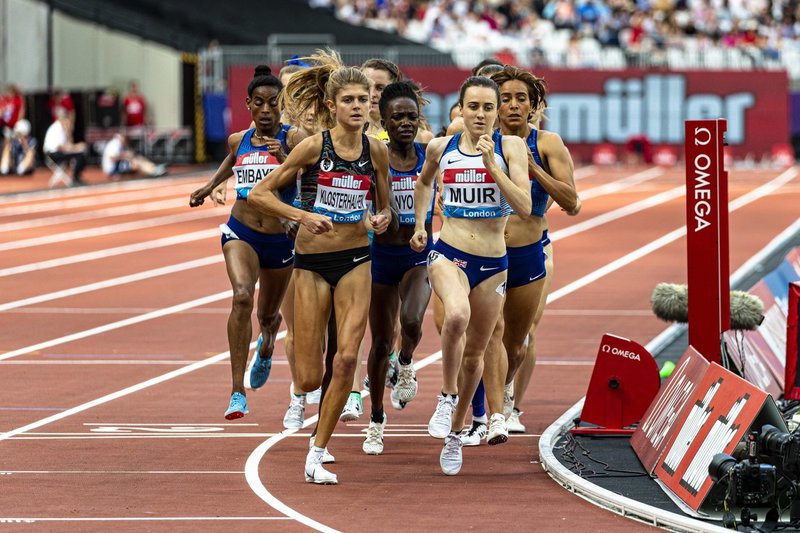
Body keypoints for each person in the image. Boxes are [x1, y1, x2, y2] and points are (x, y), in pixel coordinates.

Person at [248, 49, 392, 485]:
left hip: (355, 260)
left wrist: (382, 219)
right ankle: (295, 384)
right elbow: (260, 194)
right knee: (311, 375)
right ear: (332, 106)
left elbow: (384, 210)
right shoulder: (314, 146)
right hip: (311, 262)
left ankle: (318, 450)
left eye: (363, 100)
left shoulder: (376, 152)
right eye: (348, 100)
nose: (357, 107)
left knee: (347, 358)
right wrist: (303, 216)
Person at [410, 76, 532, 476]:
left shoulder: (509, 147)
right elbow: (424, 181)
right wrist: (420, 225)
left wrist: (493, 168)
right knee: (456, 316)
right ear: (459, 109)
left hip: (493, 263)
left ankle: (456, 431)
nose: (480, 114)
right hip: (449, 253)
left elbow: (525, 207)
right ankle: (446, 398)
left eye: (487, 108)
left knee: (476, 354)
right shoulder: (440, 147)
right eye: (472, 107)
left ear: (496, 113)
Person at [188, 65, 296, 421]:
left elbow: (306, 176)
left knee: (267, 316)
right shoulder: (239, 140)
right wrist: (209, 186)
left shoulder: (294, 140)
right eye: (259, 104)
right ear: (248, 104)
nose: (266, 110)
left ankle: (266, 346)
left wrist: (284, 158)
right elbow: (232, 161)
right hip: (242, 232)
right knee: (242, 297)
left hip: (281, 240)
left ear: (283, 106)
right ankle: (237, 392)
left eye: (273, 104)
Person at [481, 65, 579, 439]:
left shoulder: (548, 143)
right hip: (486, 250)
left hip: (531, 246)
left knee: (518, 341)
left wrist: (533, 169)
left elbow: (572, 203)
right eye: (505, 99)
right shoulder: (481, 141)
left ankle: (507, 397)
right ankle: (484, 409)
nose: (513, 105)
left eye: (521, 98)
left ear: (534, 105)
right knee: (482, 333)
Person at [362, 81, 433, 455]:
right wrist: (368, 221)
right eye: (397, 117)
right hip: (381, 258)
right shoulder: (375, 158)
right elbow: (358, 203)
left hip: (418, 255)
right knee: (378, 343)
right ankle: (376, 419)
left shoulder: (429, 155)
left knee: (411, 322)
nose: (406, 122)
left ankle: (405, 363)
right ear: (384, 121)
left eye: (411, 115)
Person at [43, 109, 87, 185]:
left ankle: (76, 178)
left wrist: (68, 132)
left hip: (55, 152)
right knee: (80, 155)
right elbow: (60, 147)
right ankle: (75, 179)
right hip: (51, 154)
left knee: (80, 153)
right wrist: (75, 149)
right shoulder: (57, 128)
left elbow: (68, 143)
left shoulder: (62, 128)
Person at [102, 132, 167, 179]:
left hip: (117, 165)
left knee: (139, 158)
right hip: (112, 169)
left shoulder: (119, 144)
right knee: (135, 163)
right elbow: (112, 158)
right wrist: (124, 155)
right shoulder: (114, 144)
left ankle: (154, 168)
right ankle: (153, 172)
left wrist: (127, 155)